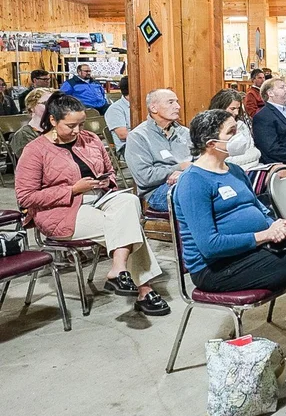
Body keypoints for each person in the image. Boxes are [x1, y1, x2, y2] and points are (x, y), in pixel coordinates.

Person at [173, 109, 286, 383]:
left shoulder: (234, 171)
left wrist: (276, 225)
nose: (240, 137)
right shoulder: (193, 182)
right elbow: (210, 246)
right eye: (231, 132)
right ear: (211, 143)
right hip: (218, 268)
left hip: (253, 250)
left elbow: (258, 208)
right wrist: (264, 235)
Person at [15, 92, 169, 316]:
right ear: (53, 120)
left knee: (129, 200)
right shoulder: (35, 150)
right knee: (126, 225)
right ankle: (144, 289)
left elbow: (110, 171)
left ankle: (118, 269)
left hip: (100, 197)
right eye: (71, 125)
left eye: (81, 124)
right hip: (61, 210)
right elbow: (26, 197)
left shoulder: (90, 139)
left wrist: (107, 181)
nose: (78, 131)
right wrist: (72, 190)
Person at [125, 89, 192, 212]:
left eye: (177, 102)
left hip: (188, 179)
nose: (178, 106)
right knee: (195, 191)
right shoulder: (138, 136)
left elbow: (201, 160)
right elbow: (144, 177)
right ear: (154, 108)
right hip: (158, 191)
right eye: (170, 102)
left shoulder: (185, 132)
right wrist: (179, 167)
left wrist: (185, 173)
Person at [208, 89, 262, 170]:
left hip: (250, 167)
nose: (236, 113)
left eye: (238, 108)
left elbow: (253, 150)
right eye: (232, 109)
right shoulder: (208, 128)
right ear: (221, 107)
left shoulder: (241, 125)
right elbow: (218, 158)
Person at [10, 88, 52, 160]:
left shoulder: (58, 129)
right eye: (46, 103)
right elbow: (31, 161)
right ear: (31, 107)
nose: (51, 107)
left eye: (54, 103)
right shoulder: (23, 135)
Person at [104, 75, 131, 155]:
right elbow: (123, 135)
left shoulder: (143, 105)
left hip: (143, 142)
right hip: (127, 147)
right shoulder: (115, 109)